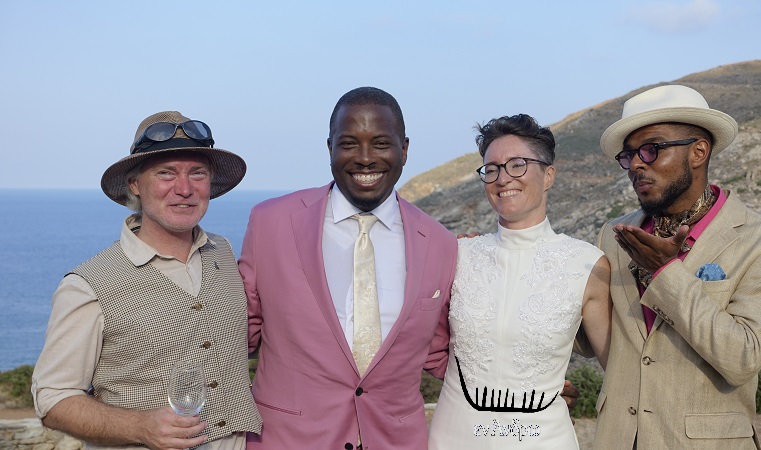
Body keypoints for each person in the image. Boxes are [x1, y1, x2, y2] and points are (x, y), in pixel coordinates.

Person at [239, 87, 458, 449]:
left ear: (404, 149)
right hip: (288, 440)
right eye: (349, 144)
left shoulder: (441, 243)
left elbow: (441, 351)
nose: (366, 158)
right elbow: (235, 333)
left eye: (381, 143)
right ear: (330, 148)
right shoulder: (271, 223)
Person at [584, 84, 761, 449]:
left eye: (651, 149)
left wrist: (664, 274)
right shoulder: (614, 235)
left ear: (699, 152)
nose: (636, 164)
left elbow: (742, 357)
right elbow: (589, 336)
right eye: (629, 155)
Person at [31, 111, 262, 450]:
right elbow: (52, 398)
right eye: (166, 173)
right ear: (135, 184)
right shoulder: (87, 286)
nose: (184, 189)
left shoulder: (223, 253)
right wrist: (140, 427)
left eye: (197, 173)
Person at [427, 114, 612, 449]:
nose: (502, 178)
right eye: (492, 169)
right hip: (452, 439)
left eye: (517, 165)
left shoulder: (587, 264)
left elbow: (620, 369)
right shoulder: (457, 255)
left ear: (548, 175)